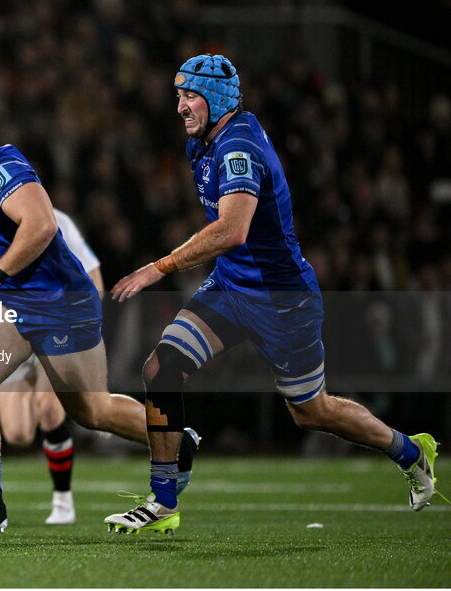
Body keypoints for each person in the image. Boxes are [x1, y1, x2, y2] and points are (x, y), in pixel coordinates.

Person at [105, 54, 440, 535]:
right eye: (177, 95)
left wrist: (161, 267)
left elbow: (233, 230)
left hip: (281, 300)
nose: (179, 106)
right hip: (231, 285)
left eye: (189, 95)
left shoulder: (237, 146)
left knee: (312, 411)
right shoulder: (208, 139)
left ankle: (410, 450)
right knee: (161, 367)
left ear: (216, 99)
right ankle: (164, 500)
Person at [0, 94, 198, 535]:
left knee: (92, 411)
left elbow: (42, 225)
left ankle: (176, 440)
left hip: (60, 298)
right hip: (12, 301)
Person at [0, 209, 107, 525]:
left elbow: (93, 273)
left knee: (48, 408)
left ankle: (62, 500)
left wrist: (86, 321)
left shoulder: (54, 221)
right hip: (9, 329)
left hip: (55, 320)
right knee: (16, 434)